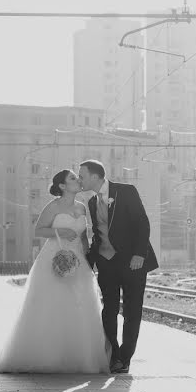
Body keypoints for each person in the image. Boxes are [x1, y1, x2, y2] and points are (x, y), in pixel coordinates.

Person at [0, 169, 110, 374]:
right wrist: (60, 231)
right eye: (73, 178)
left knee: (80, 304)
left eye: (78, 178)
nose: (78, 180)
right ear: (62, 186)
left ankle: (77, 356)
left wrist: (88, 256)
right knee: (51, 304)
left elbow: (84, 236)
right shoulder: (53, 206)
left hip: (78, 260)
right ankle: (46, 355)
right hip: (53, 259)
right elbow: (38, 230)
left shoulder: (82, 207)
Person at [78, 159, 158, 374]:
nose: (80, 180)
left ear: (95, 176)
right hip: (107, 263)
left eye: (82, 176)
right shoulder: (92, 202)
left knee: (132, 311)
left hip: (133, 262)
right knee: (109, 310)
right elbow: (98, 234)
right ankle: (113, 355)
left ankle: (125, 357)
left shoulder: (126, 191)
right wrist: (89, 262)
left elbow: (142, 222)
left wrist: (140, 254)